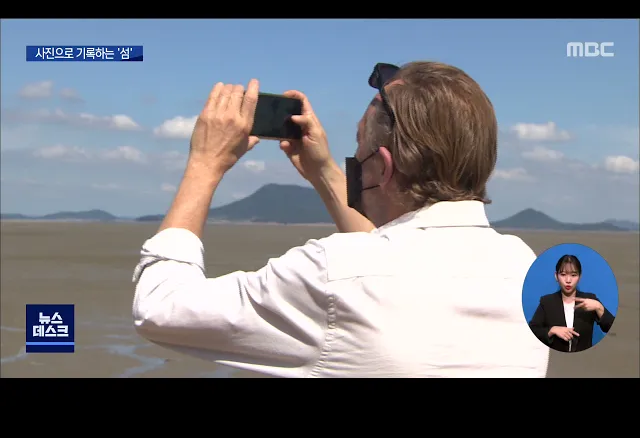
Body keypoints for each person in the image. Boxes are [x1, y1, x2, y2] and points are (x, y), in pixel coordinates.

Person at [131, 61, 550, 378]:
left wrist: (205, 164)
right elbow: (393, 262)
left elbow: (159, 309)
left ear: (381, 167)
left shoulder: (332, 273)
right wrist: (324, 172)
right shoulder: (526, 269)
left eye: (359, 147)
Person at [528, 254, 615, 353]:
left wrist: (599, 307)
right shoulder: (547, 302)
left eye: (573, 275)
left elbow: (612, 327)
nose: (568, 280)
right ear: (556, 276)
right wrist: (552, 330)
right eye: (563, 274)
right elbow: (532, 331)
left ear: (579, 277)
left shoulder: (590, 300)